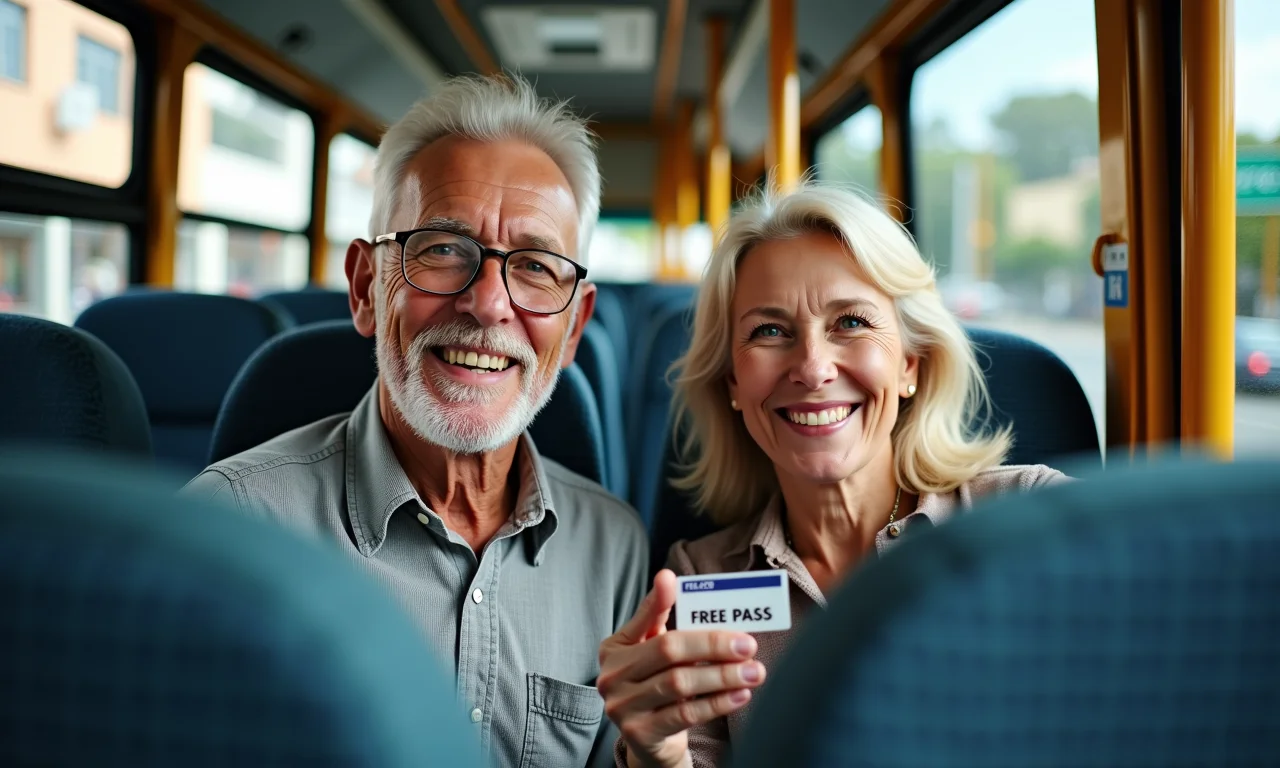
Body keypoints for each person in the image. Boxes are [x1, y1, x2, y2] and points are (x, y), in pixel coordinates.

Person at [184, 74, 648, 768]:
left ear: (574, 326)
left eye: (535, 267)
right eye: (442, 249)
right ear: (368, 288)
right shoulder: (232, 527)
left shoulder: (614, 547)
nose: (489, 304)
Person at [596, 181, 1069, 768]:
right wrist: (658, 754)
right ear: (734, 388)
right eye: (769, 331)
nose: (813, 367)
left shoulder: (1030, 517)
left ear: (909, 366)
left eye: (850, 322)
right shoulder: (701, 576)